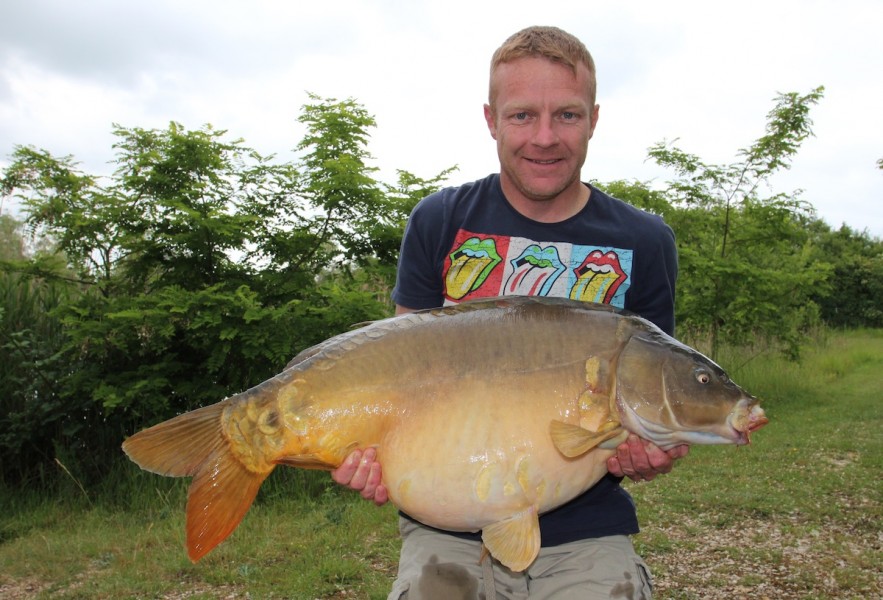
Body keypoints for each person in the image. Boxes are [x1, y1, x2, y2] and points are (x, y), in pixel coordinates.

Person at [333, 25, 688, 599]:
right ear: (490, 119)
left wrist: (652, 450)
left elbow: (653, 392)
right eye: (522, 115)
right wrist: (369, 453)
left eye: (567, 116)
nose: (544, 138)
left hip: (585, 527)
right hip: (445, 525)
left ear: (594, 119)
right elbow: (394, 372)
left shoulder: (645, 241)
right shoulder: (439, 220)